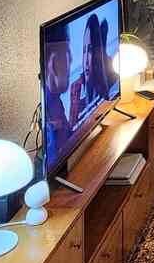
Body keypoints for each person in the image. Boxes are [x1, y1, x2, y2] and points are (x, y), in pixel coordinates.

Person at [69, 13, 110, 126]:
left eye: (90, 50)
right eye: (84, 50)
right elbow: (71, 134)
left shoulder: (109, 79)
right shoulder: (76, 89)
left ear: (98, 53)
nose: (86, 59)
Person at [44, 23, 72, 159]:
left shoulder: (55, 100)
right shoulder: (48, 109)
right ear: (53, 63)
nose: (71, 59)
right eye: (67, 53)